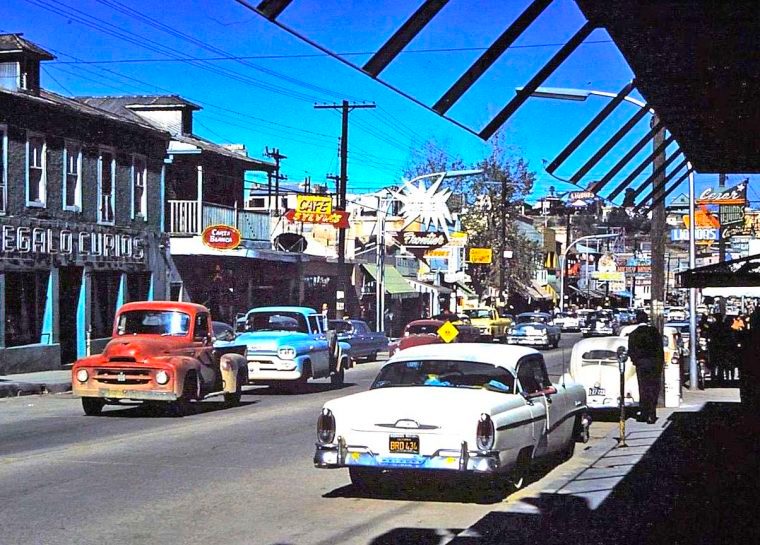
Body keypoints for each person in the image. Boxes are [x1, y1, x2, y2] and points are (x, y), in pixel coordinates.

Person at [627, 310, 664, 424]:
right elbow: (660, 349)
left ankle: (644, 413)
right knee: (654, 388)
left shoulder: (633, 334)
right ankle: (652, 414)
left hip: (642, 364)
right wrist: (660, 362)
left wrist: (636, 361)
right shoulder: (654, 332)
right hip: (654, 363)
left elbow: (631, 351)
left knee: (643, 388)